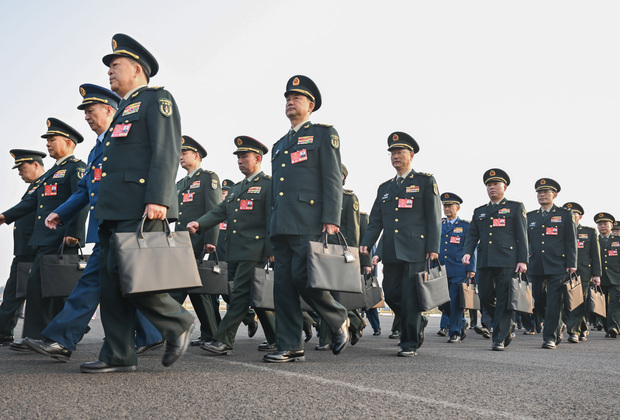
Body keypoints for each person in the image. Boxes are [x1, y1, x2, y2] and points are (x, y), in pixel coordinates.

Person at [80, 33, 195, 373]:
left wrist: (159, 198)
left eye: (115, 66)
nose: (109, 73)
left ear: (138, 69)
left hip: (140, 205)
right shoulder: (122, 111)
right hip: (113, 209)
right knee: (111, 282)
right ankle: (118, 353)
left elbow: (166, 149)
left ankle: (177, 321)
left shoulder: (156, 100)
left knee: (134, 275)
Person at [23, 84, 162, 361]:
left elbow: (153, 167)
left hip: (126, 225)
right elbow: (84, 189)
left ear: (110, 110)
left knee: (110, 283)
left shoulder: (123, 141)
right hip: (105, 228)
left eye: (91, 110)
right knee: (110, 285)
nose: (86, 116)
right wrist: (60, 212)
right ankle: (150, 336)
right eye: (85, 111)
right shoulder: (97, 150)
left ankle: (64, 339)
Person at [266, 75, 349, 363]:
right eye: (287, 98)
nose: (290, 102)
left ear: (310, 105)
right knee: (283, 287)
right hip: (281, 224)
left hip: (308, 220)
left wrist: (331, 218)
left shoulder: (324, 134)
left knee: (305, 278)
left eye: (297, 98)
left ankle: (337, 317)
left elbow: (331, 180)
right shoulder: (278, 145)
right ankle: (290, 345)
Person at [0, 119, 87, 349]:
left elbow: (82, 200)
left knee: (60, 291)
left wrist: (74, 232)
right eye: (47, 140)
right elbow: (30, 202)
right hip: (45, 240)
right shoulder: (51, 174)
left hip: (62, 239)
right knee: (39, 288)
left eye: (52, 139)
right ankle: (38, 336)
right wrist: (4, 217)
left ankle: (61, 334)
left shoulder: (76, 168)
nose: (47, 144)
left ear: (68, 142)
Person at [188, 135, 276, 355]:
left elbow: (272, 219)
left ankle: (223, 340)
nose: (239, 161)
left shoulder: (268, 185)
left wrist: (271, 251)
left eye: (244, 156)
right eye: (238, 157)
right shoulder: (236, 189)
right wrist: (199, 223)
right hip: (235, 251)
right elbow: (219, 212)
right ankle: (277, 337)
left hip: (254, 252)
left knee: (239, 297)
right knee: (242, 295)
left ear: (257, 158)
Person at [360, 131, 441, 357]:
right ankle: (416, 322)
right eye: (392, 153)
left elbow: (433, 217)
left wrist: (433, 247)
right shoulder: (385, 188)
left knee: (411, 295)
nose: (396, 156)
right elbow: (376, 220)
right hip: (392, 250)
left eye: (400, 152)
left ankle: (409, 343)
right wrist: (367, 242)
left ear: (411, 155)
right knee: (392, 293)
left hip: (416, 250)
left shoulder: (425, 181)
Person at [462, 168, 528, 351]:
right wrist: (467, 252)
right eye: (489, 185)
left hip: (508, 261)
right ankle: (504, 326)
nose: (492, 188)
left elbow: (522, 236)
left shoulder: (515, 207)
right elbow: (472, 235)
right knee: (484, 296)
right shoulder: (480, 211)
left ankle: (498, 337)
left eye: (495, 184)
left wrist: (522, 260)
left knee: (504, 299)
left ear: (504, 187)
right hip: (485, 260)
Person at [169, 135, 221, 346]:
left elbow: (213, 209)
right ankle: (211, 333)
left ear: (197, 156)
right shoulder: (180, 183)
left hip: (198, 240)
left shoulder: (208, 178)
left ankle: (160, 329)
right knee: (197, 291)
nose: (180, 157)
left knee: (181, 288)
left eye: (184, 153)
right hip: (181, 240)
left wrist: (211, 239)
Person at [316, 164, 365, 350]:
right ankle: (351, 323)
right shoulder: (318, 197)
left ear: (343, 178)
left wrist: (351, 256)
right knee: (321, 291)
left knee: (334, 295)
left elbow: (353, 231)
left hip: (338, 253)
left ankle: (328, 338)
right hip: (321, 250)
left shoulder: (348, 199)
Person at [0, 150, 46, 345]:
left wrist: (4, 217)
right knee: (16, 291)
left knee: (17, 292)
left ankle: (4, 331)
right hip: (25, 249)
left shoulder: (45, 184)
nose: (19, 172)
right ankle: (4, 331)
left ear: (36, 165)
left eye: (22, 168)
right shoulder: (35, 186)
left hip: (32, 248)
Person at [526, 178, 577, 349]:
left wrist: (572, 263)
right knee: (539, 301)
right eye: (539, 192)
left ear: (554, 195)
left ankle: (550, 337)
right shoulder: (530, 216)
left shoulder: (564, 215)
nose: (541, 195)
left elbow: (571, 241)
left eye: (545, 192)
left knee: (554, 300)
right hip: (536, 264)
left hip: (557, 264)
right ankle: (558, 324)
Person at [439, 193, 476, 343]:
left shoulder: (465, 226)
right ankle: (461, 323)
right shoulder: (438, 224)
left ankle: (455, 333)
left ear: (458, 207)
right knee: (442, 302)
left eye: (450, 205)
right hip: (440, 269)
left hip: (458, 269)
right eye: (445, 206)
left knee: (455, 301)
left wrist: (471, 267)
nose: (447, 208)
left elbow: (471, 247)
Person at [563, 202, 601, 343]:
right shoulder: (560, 230)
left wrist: (596, 274)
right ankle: (583, 327)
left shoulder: (589, 232)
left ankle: (573, 331)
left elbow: (595, 255)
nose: (572, 216)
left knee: (579, 301)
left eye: (575, 214)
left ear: (580, 216)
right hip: (564, 270)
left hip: (583, 271)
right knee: (565, 302)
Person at [594, 212, 620, 337]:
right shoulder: (594, 240)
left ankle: (613, 326)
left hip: (616, 277)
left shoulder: (618, 241)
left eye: (605, 224)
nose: (602, 226)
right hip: (598, 277)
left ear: (611, 225)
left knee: (615, 302)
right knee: (601, 304)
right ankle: (606, 326)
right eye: (600, 224)